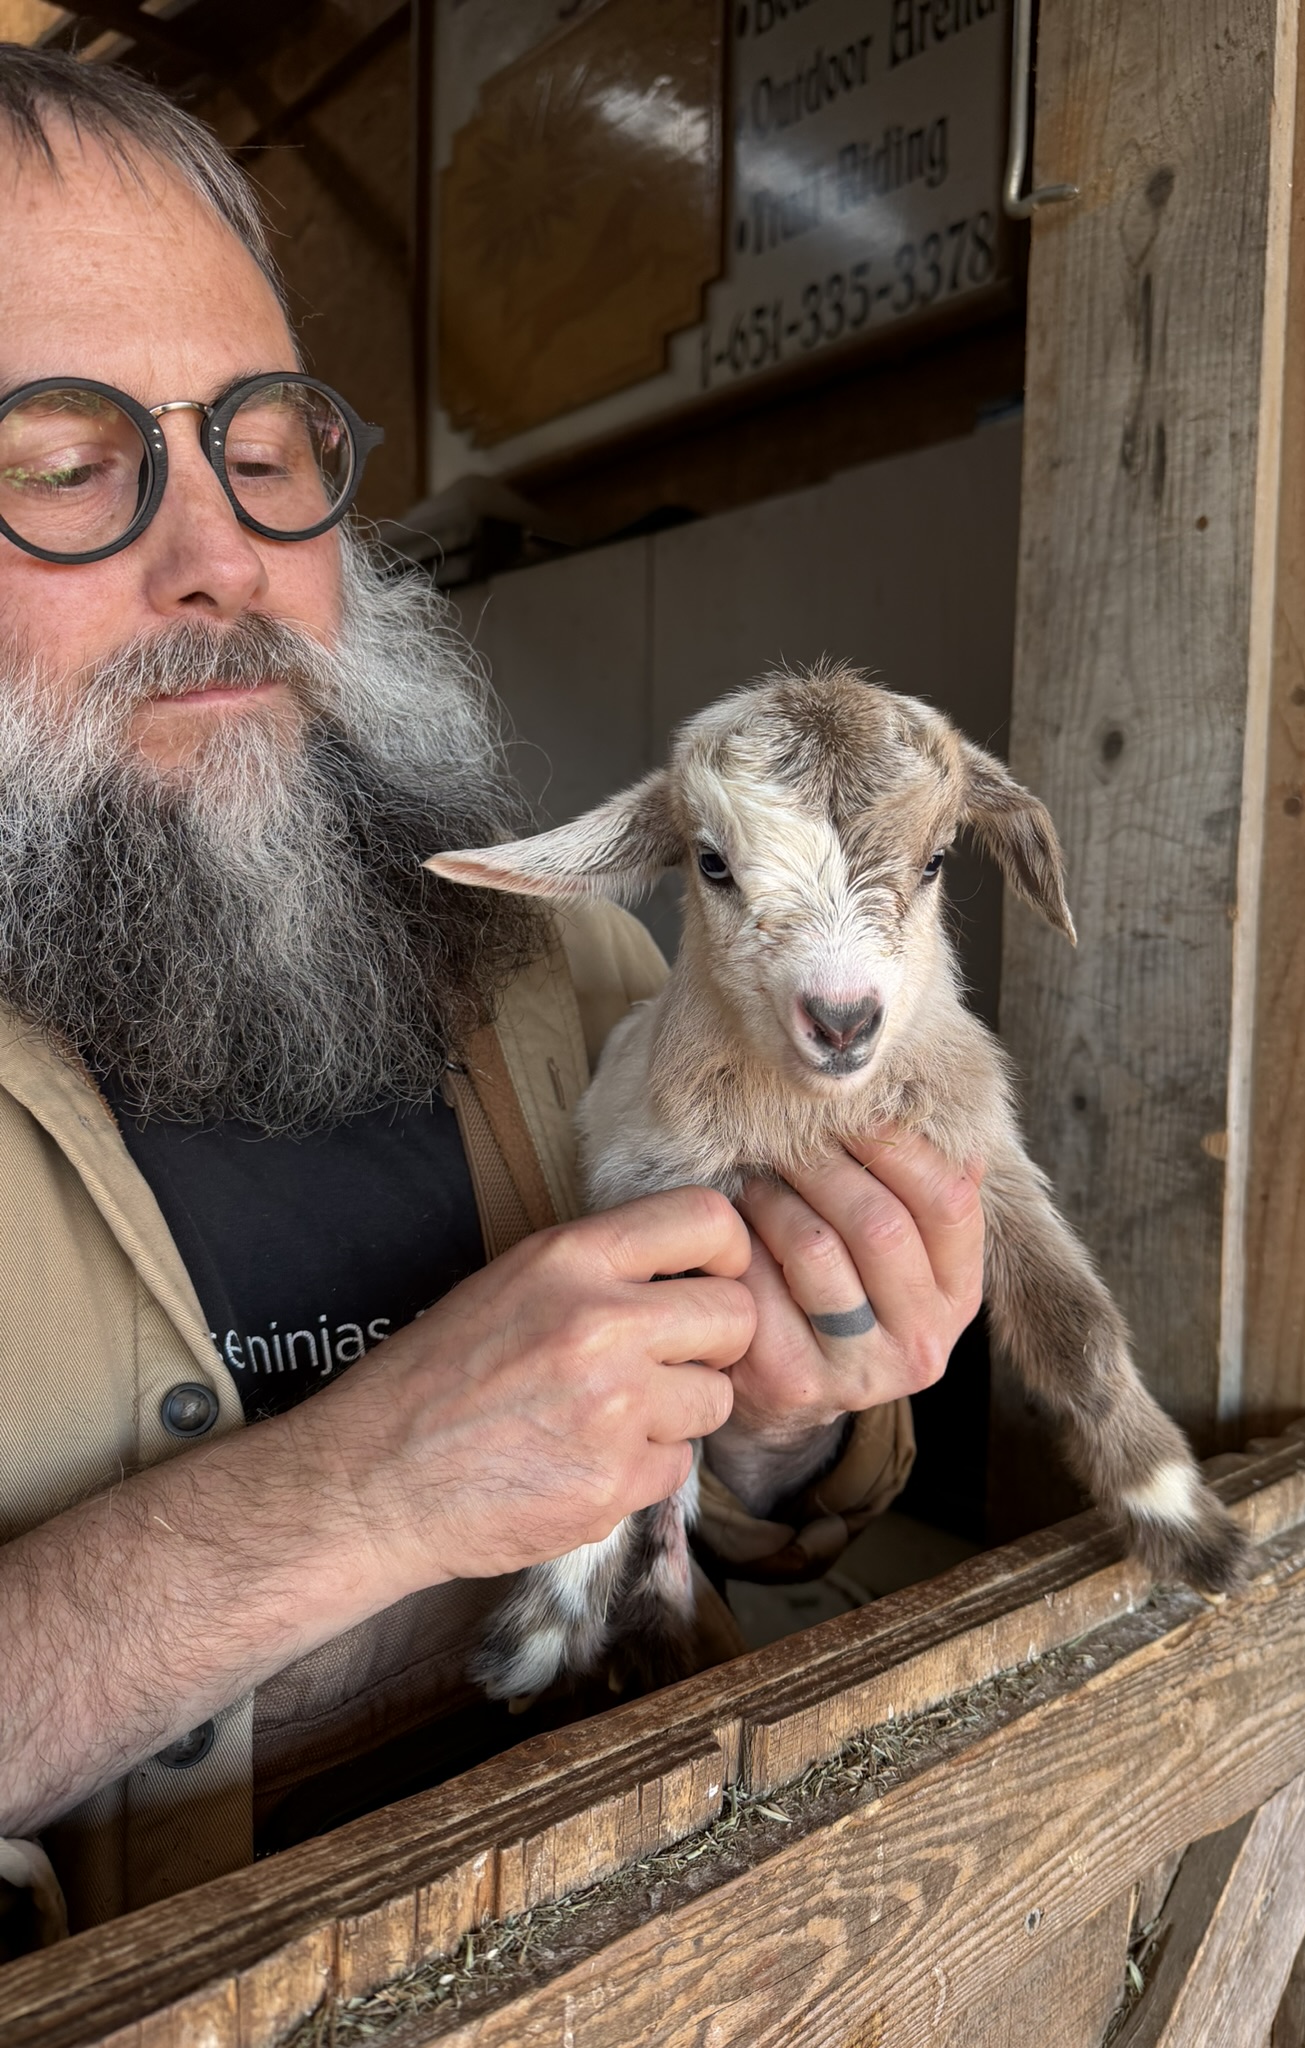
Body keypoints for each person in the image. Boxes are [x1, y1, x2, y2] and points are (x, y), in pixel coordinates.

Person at [0, 46, 984, 1952]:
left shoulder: (586, 967)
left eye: (266, 449)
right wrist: (365, 1488)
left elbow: (784, 1507)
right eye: (58, 468)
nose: (224, 562)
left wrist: (789, 1408)